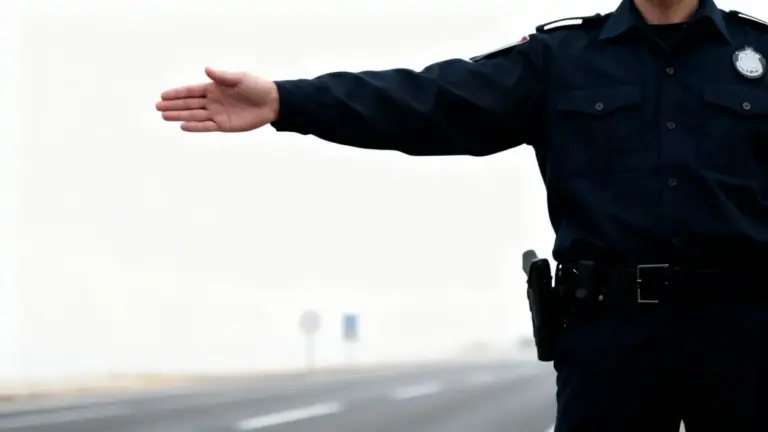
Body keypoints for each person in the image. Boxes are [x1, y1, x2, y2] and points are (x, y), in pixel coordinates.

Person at [156, 0, 768, 430]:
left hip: (745, 334)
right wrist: (290, 100)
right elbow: (427, 102)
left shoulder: (758, 54)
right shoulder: (562, 60)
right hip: (611, 339)